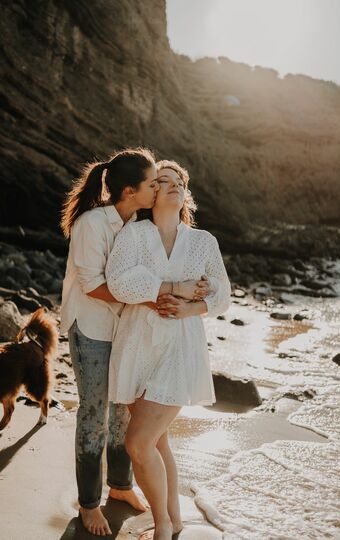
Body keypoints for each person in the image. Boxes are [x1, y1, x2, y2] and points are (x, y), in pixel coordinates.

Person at [60, 148, 210, 536]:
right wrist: (161, 295)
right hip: (92, 327)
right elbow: (94, 286)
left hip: (126, 331)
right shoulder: (92, 224)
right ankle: (89, 504)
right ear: (131, 191)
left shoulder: (138, 222)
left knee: (125, 414)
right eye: (151, 183)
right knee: (94, 416)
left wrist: (189, 299)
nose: (156, 187)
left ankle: (121, 486)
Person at [105, 160, 231, 540]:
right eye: (163, 181)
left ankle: (160, 526)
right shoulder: (134, 233)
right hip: (137, 345)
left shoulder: (203, 242)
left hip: (180, 348)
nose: (173, 185)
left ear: (184, 193)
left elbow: (222, 294)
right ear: (151, 192)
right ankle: (174, 519)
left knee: (138, 442)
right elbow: (118, 284)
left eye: (179, 181)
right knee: (157, 441)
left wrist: (192, 307)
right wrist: (174, 288)